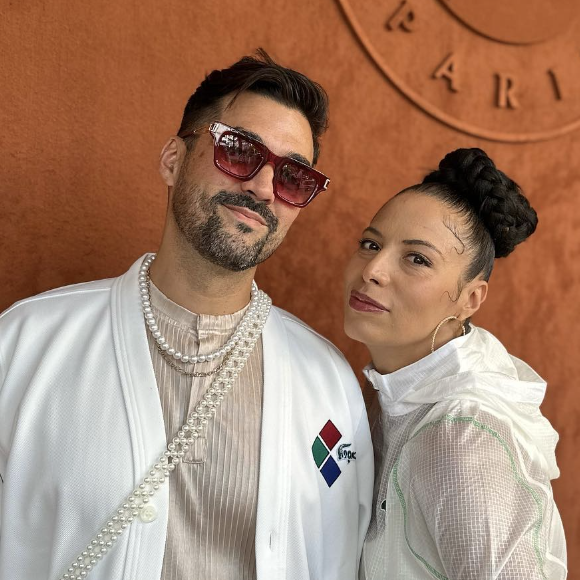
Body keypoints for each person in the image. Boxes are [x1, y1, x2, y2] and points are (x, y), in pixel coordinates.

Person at [0, 50, 373, 580]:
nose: (264, 188)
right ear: (173, 160)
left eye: (293, 177)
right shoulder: (26, 344)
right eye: (240, 151)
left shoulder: (327, 380)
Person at [344, 148, 567, 580]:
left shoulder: (461, 436)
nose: (372, 269)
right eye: (371, 243)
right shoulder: (393, 395)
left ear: (471, 299)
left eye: (417, 259)